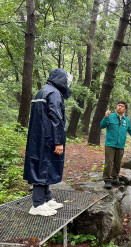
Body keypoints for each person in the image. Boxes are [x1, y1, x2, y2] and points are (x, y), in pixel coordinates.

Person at [23, 68, 73, 216]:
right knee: (43, 167)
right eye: (65, 80)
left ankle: (46, 198)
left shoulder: (43, 91)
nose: (66, 83)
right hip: (48, 138)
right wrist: (58, 142)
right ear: (60, 79)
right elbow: (56, 119)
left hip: (39, 137)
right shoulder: (54, 93)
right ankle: (37, 205)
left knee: (43, 165)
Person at [100, 101, 131, 189]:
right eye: (118, 105)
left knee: (117, 163)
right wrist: (106, 117)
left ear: (125, 109)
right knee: (109, 162)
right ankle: (107, 180)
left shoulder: (126, 120)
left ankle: (115, 180)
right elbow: (102, 126)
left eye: (122, 106)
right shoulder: (110, 116)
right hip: (110, 144)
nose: (119, 107)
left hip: (120, 145)